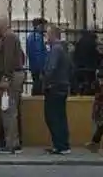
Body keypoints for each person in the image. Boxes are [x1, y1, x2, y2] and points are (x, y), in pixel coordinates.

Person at [0, 16, 25, 154]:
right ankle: (8, 141)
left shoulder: (9, 37)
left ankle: (11, 144)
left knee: (9, 111)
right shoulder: (3, 37)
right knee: (6, 109)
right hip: (10, 76)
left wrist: (6, 78)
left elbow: (9, 59)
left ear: (4, 24)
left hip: (10, 78)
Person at [42, 24, 72, 155]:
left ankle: (60, 145)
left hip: (54, 87)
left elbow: (51, 68)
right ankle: (62, 144)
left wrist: (45, 79)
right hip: (62, 86)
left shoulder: (56, 49)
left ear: (53, 35)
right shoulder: (63, 48)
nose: (46, 36)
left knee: (52, 117)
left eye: (47, 34)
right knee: (60, 117)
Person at [26, 18, 48, 96]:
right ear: (40, 26)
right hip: (39, 68)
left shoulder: (30, 36)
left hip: (33, 66)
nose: (45, 28)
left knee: (36, 85)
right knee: (39, 88)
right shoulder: (38, 37)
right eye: (45, 26)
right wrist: (42, 69)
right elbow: (39, 54)